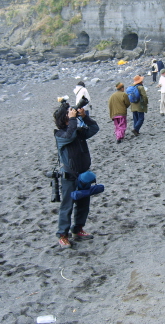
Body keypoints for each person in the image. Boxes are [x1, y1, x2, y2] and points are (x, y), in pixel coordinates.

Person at [54, 101, 99, 248]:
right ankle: (62, 235)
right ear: (64, 118)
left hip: (83, 174)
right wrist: (73, 119)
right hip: (69, 175)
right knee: (67, 206)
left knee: (83, 203)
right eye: (69, 113)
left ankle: (78, 229)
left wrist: (84, 117)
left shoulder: (77, 131)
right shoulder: (60, 134)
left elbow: (94, 128)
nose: (72, 115)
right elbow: (69, 136)